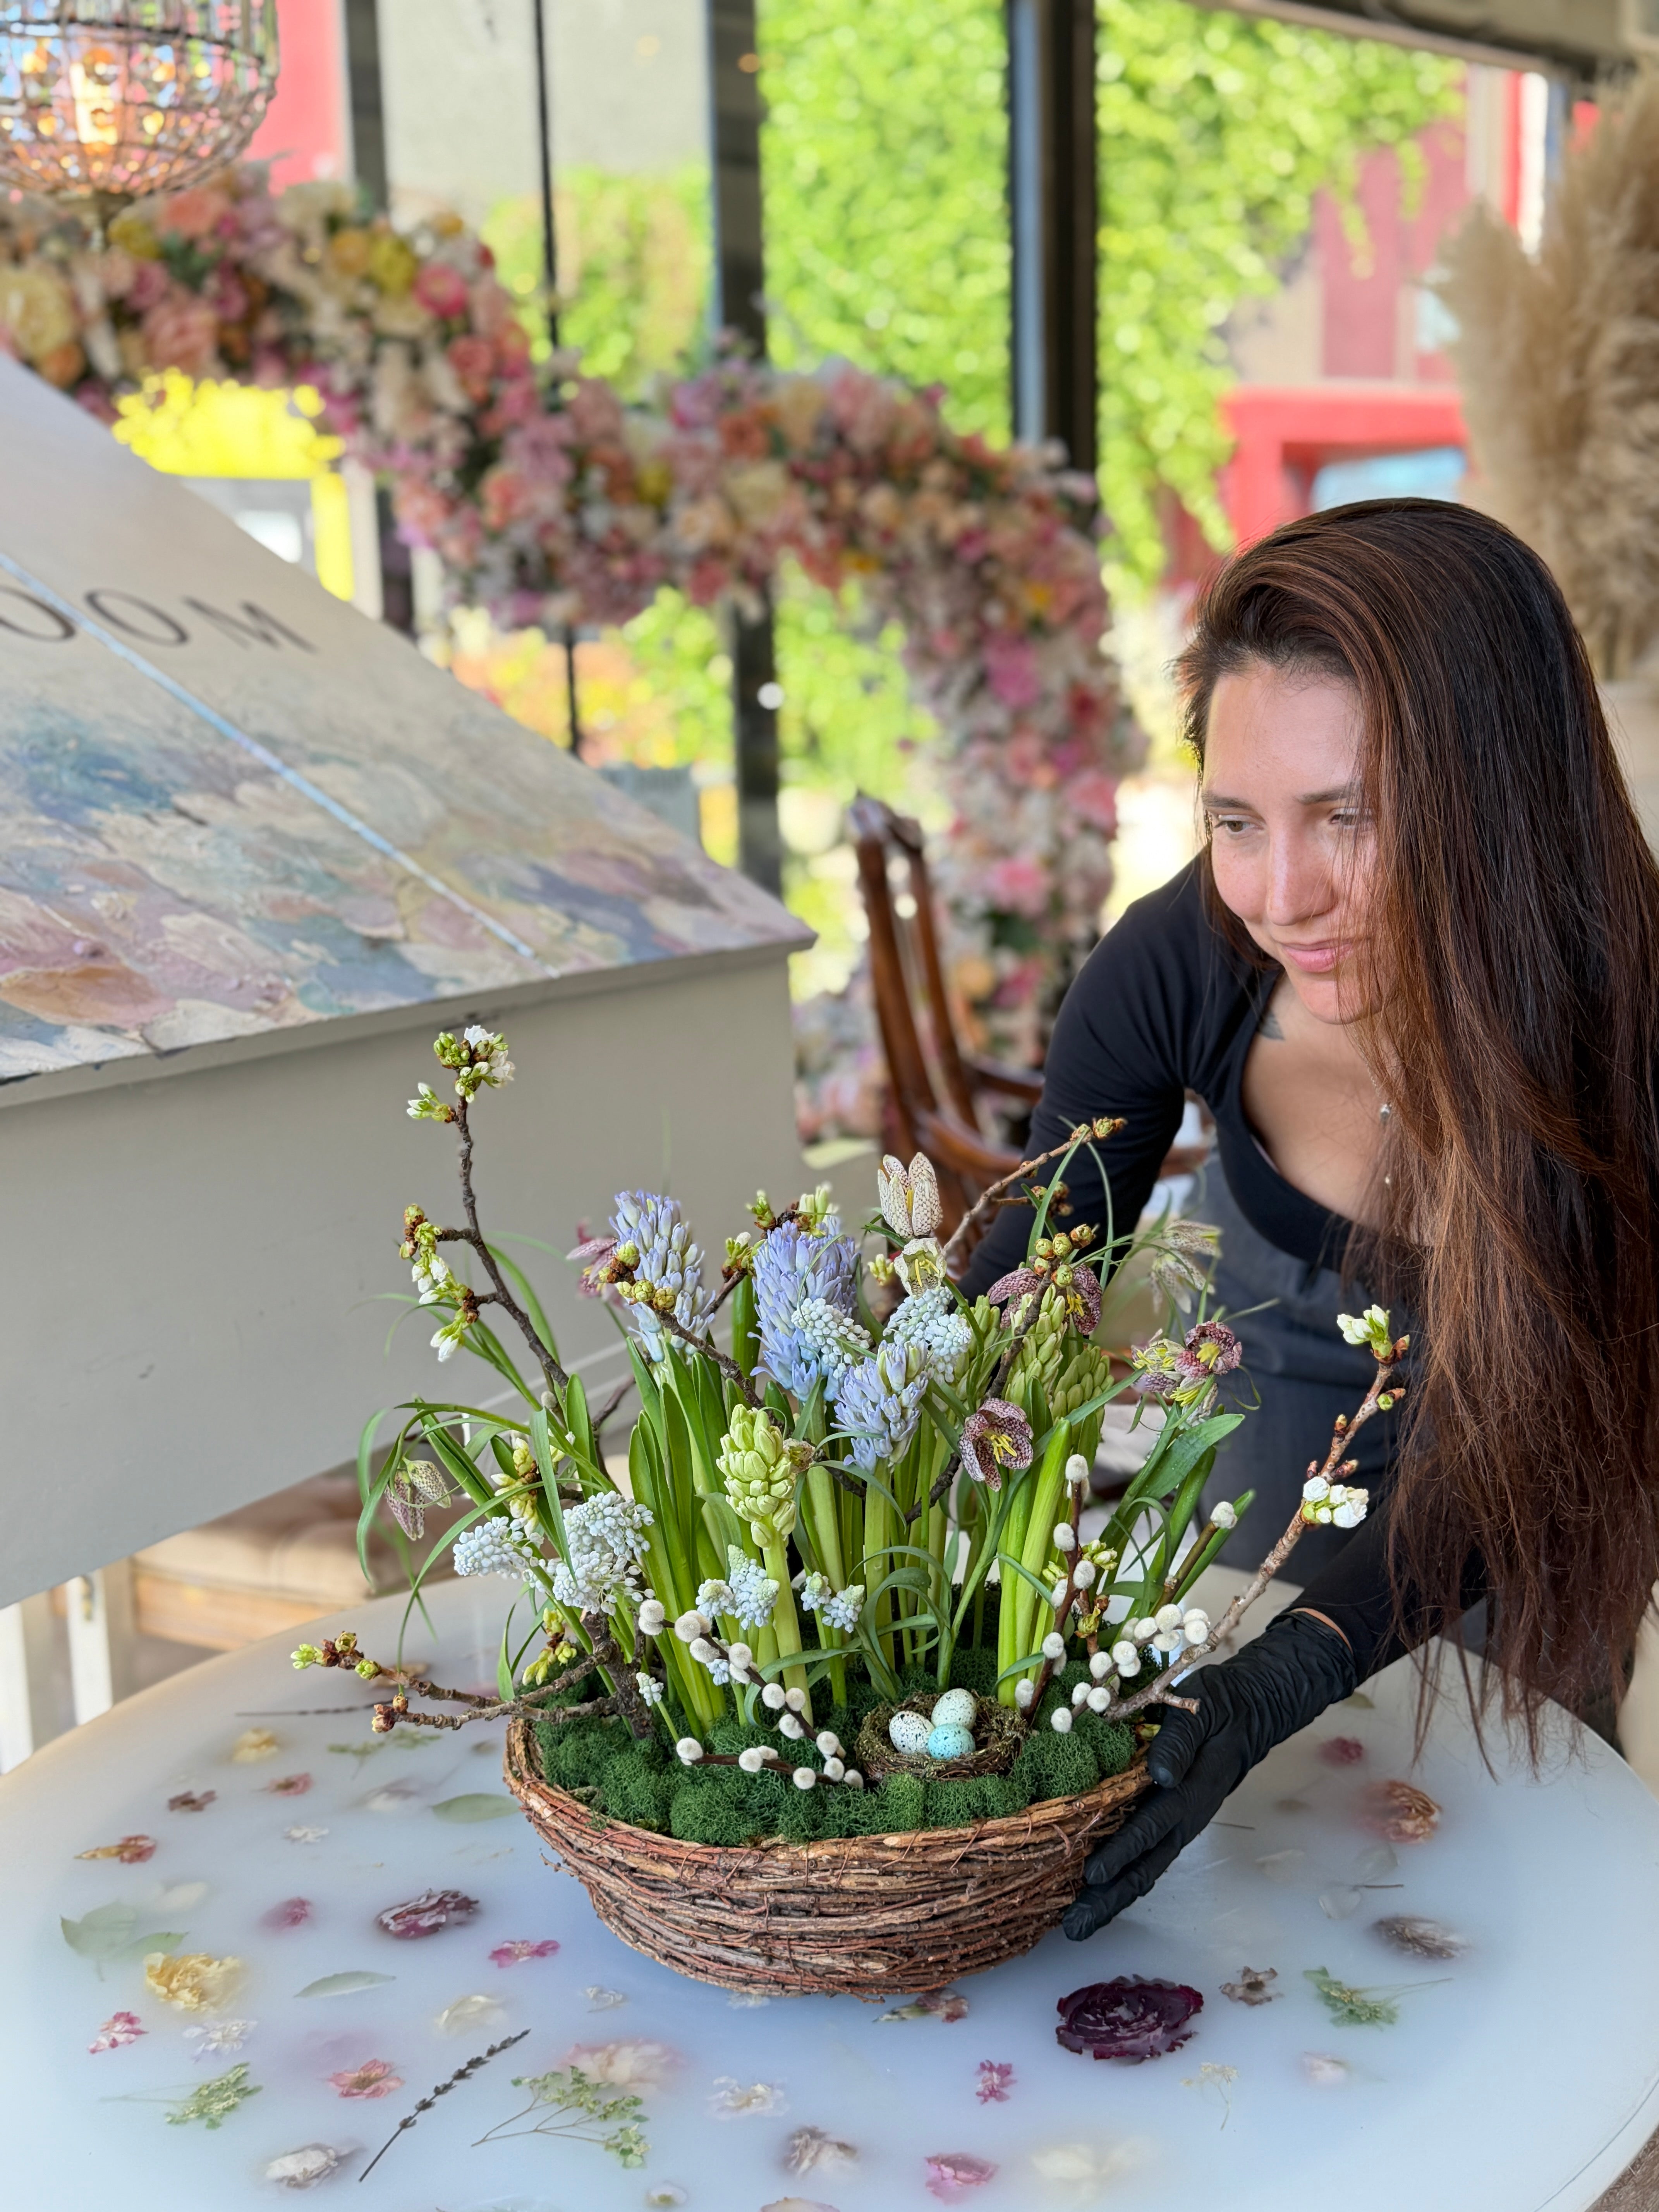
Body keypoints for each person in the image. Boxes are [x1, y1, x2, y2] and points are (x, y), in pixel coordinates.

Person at [958, 500, 1659, 1937]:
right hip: (1277, 1370)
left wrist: (1302, 1662)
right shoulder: (1180, 958)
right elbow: (1029, 1281)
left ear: (1497, 799)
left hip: (1543, 1443)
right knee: (1266, 1818)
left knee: (1502, 1822)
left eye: (1351, 815)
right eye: (1234, 821)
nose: (1285, 897)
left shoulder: (1625, 1029)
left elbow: (1506, 1462)